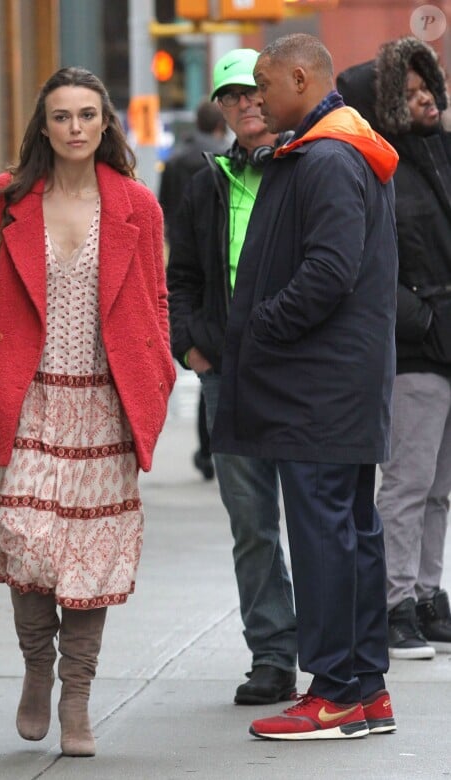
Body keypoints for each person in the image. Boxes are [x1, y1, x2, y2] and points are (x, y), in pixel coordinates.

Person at [0, 66, 175, 757]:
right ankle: (37, 666)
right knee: (24, 535)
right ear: (43, 126)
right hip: (26, 397)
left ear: (106, 122)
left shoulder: (138, 204)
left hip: (107, 403)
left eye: (88, 115)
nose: (76, 128)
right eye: (62, 116)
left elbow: (156, 297)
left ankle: (76, 697)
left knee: (89, 557)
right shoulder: (6, 198)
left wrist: (159, 368)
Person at [212, 33, 399, 740]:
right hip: (339, 386)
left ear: (300, 76)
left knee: (326, 535)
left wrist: (260, 324)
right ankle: (365, 687)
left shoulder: (325, 157)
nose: (257, 98)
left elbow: (327, 270)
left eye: (265, 84)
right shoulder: (341, 150)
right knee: (350, 532)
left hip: (318, 387)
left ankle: (335, 691)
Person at [167, 48, 298, 706]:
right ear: (219, 110)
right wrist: (188, 344)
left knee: (315, 519)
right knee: (252, 523)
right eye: (231, 97)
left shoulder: (309, 167)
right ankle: (273, 654)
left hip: (303, 377)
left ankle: (330, 651)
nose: (245, 104)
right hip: (229, 376)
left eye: (253, 91)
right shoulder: (205, 182)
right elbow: (181, 276)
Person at [338, 38, 451, 660]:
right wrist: (425, 319)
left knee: (440, 486)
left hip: (446, 338)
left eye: (426, 85)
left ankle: (429, 597)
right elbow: (371, 265)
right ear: (385, 104)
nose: (424, 98)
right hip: (415, 345)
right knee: (408, 482)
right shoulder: (378, 167)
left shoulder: (443, 154)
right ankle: (393, 605)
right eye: (407, 93)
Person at [160, 99, 228, 482]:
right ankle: (215, 448)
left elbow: (165, 207)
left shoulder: (176, 160)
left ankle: (206, 449)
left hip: (183, 252)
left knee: (209, 361)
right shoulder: (224, 159)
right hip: (215, 261)